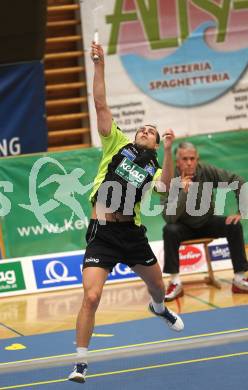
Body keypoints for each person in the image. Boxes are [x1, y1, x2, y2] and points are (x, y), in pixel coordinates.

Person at [68, 43, 184, 383]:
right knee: (91, 295)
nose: (146, 131)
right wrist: (99, 64)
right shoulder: (115, 143)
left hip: (131, 234)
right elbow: (100, 103)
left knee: (158, 287)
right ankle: (80, 362)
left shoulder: (155, 163)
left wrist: (169, 148)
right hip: (103, 231)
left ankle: (159, 309)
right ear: (135, 135)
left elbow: (166, 186)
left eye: (152, 130)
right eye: (143, 129)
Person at [162, 141, 248, 301]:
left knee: (234, 225)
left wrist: (241, 211)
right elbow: (169, 217)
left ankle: (239, 279)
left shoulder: (206, 171)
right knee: (169, 230)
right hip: (183, 227)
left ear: (197, 159)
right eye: (185, 159)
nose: (189, 163)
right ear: (177, 161)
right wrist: (183, 193)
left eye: (192, 158)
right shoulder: (168, 179)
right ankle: (175, 282)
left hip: (207, 222)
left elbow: (238, 181)